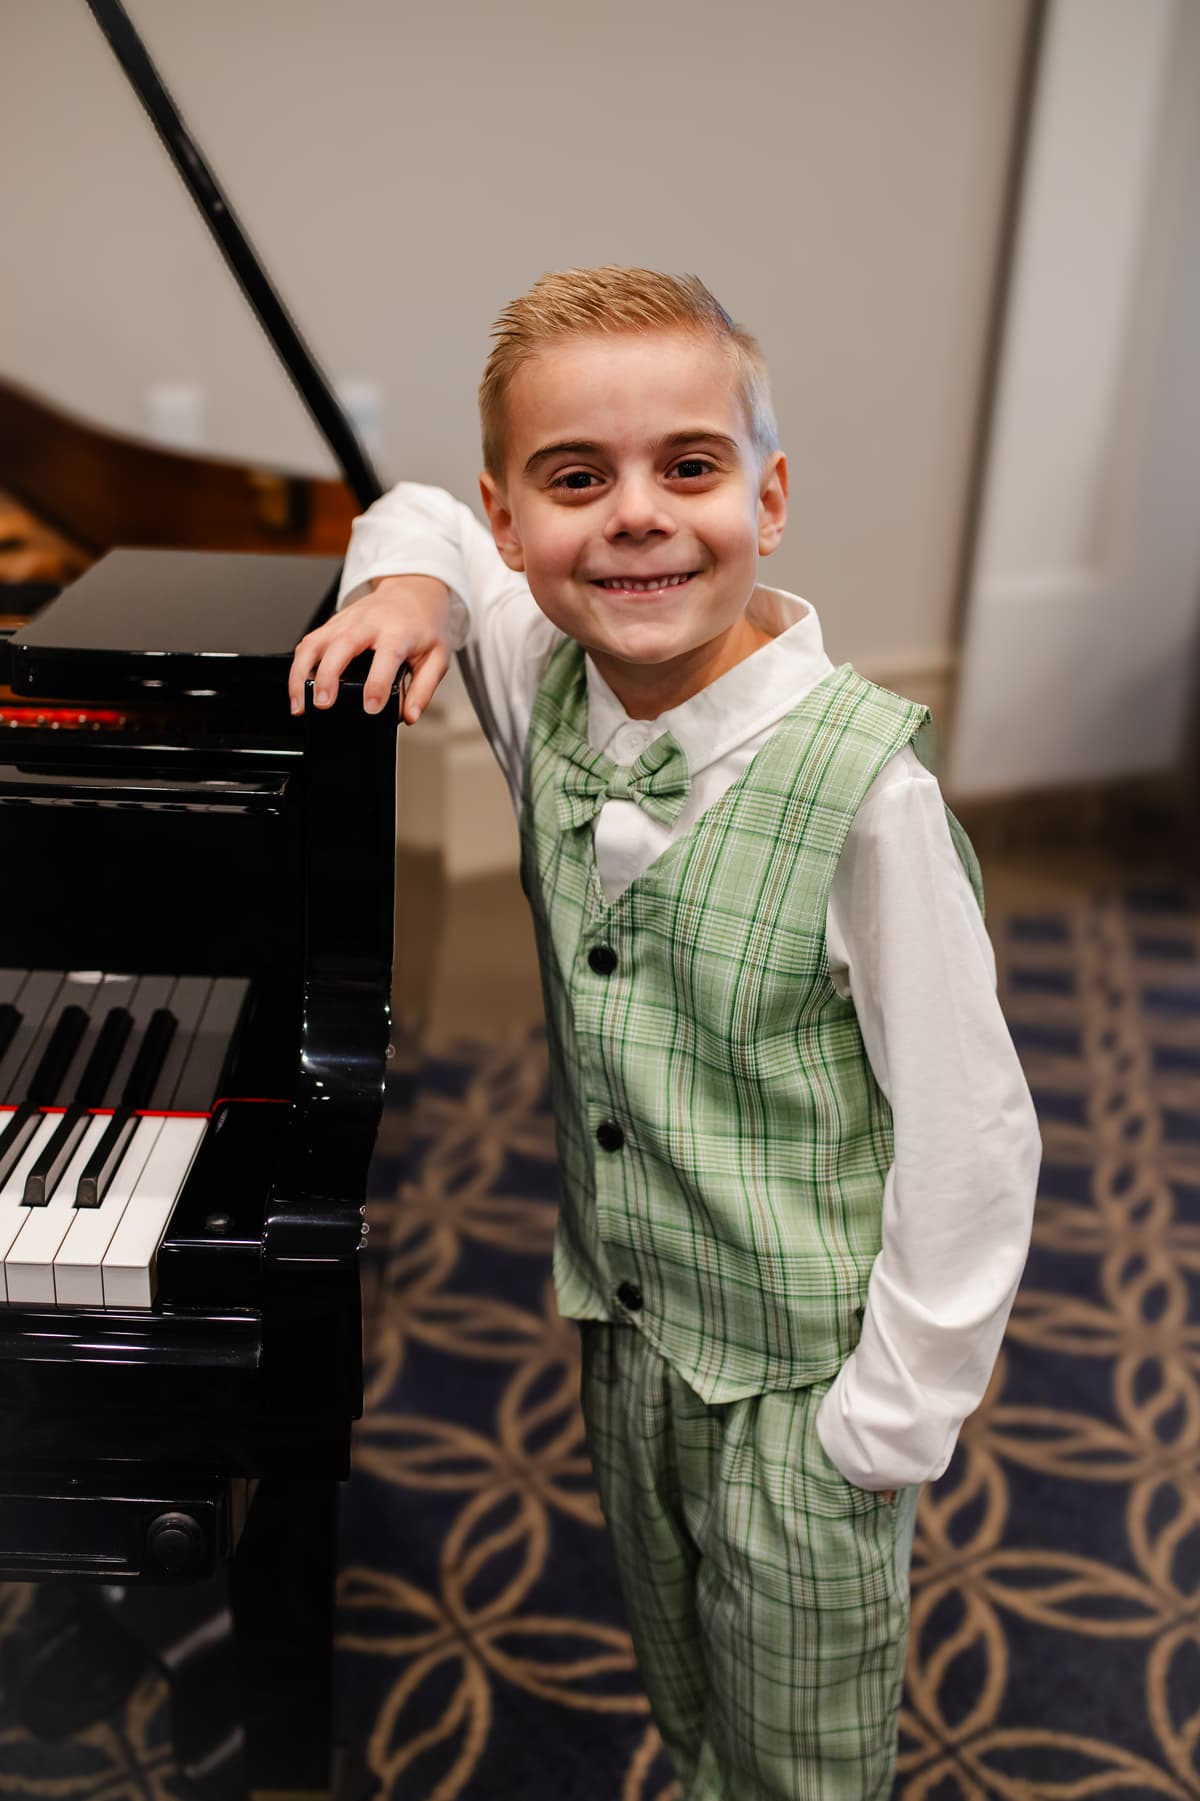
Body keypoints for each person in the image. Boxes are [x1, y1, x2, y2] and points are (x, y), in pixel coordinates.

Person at [288, 267, 1041, 1800]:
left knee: (804, 1754)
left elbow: (976, 1136)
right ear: (517, 527)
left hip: (805, 1382)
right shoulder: (531, 664)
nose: (635, 514)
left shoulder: (866, 796)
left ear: (767, 496)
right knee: (680, 1669)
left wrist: (881, 1425)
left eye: (687, 466)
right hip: (624, 1333)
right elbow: (415, 506)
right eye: (578, 479)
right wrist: (408, 585)